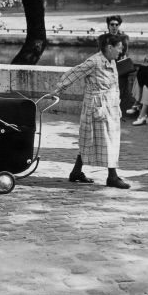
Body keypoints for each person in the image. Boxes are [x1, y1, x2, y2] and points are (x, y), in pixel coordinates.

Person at [53, 33, 131, 189]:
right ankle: (112, 176)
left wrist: (118, 107)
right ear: (110, 48)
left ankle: (76, 172)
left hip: (110, 106)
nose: (121, 52)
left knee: (92, 141)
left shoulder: (112, 61)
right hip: (97, 107)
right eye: (119, 48)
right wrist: (57, 90)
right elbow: (74, 73)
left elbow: (114, 86)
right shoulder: (94, 62)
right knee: (105, 141)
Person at [105, 15, 131, 109]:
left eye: (117, 24)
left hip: (119, 68)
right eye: (112, 24)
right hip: (106, 68)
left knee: (118, 92)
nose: (114, 27)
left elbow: (124, 53)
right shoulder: (104, 38)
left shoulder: (124, 37)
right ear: (108, 26)